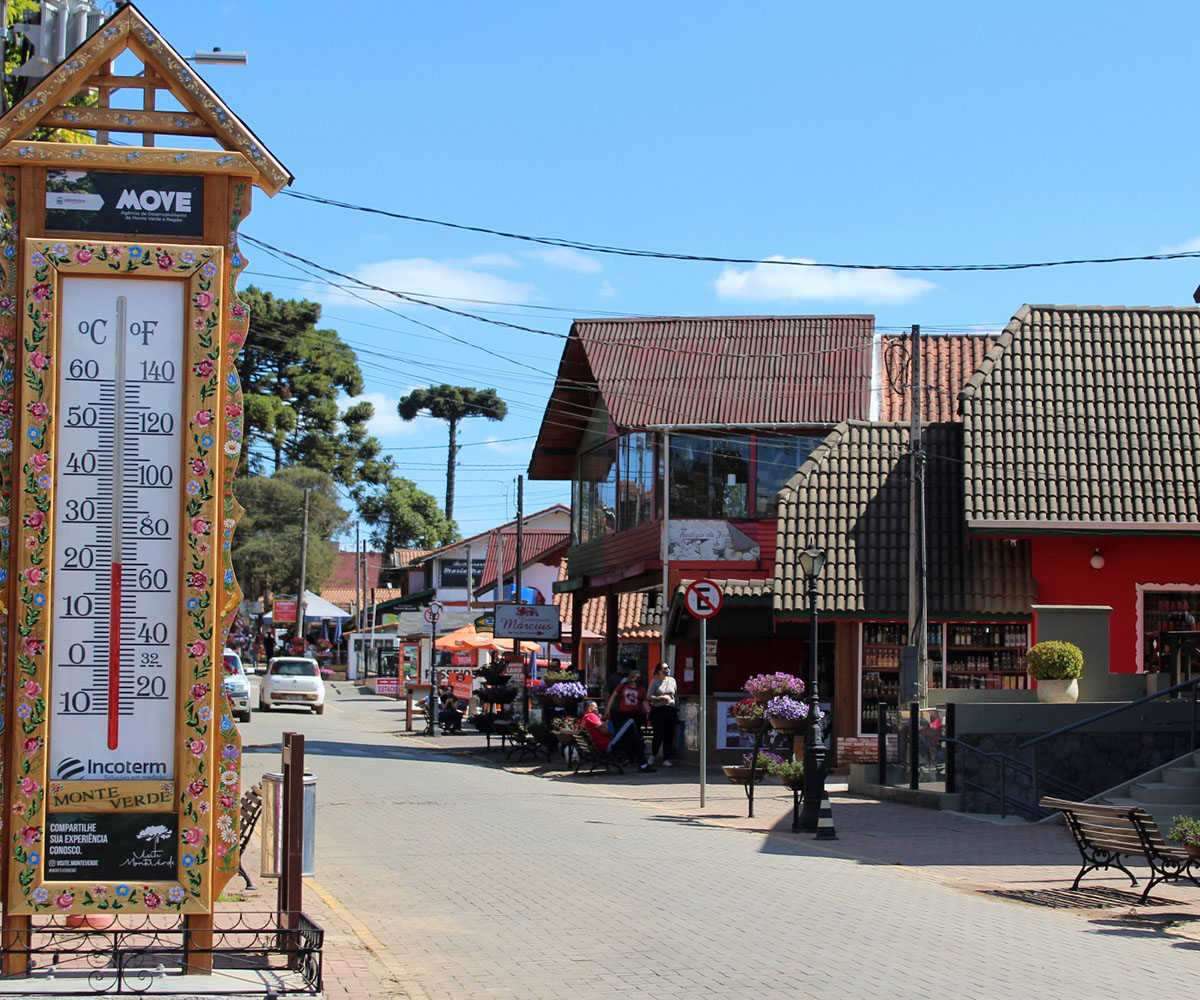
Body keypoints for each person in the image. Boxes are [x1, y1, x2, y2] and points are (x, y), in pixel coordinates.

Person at [577, 700, 655, 772]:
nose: (597, 709)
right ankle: (641, 764)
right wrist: (613, 733)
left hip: (600, 746)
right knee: (631, 721)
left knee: (635, 739)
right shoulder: (591, 715)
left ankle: (640, 763)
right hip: (607, 745)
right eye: (595, 707)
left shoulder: (584, 719)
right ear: (589, 709)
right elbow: (605, 731)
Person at [606, 670, 649, 759]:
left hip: (636, 715)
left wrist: (649, 712)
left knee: (635, 735)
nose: (638, 679)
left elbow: (644, 702)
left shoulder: (641, 689)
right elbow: (613, 696)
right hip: (623, 714)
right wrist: (608, 709)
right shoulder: (623, 686)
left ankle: (632, 756)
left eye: (639, 677)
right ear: (631, 678)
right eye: (636, 677)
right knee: (624, 734)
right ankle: (621, 754)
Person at [647, 662, 678, 767]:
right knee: (658, 734)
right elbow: (649, 696)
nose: (667, 670)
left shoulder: (672, 681)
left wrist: (675, 706)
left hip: (670, 709)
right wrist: (660, 698)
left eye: (668, 668)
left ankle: (666, 757)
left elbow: (675, 695)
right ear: (660, 671)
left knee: (669, 734)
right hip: (658, 710)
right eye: (665, 668)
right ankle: (653, 754)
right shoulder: (655, 682)